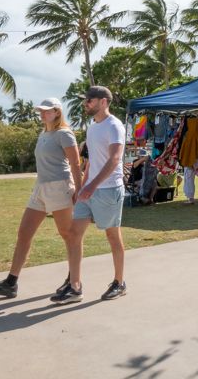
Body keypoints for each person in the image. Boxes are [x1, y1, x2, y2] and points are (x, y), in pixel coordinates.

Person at [0, 98, 82, 298]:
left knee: (69, 235)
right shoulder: (44, 134)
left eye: (46, 111)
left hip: (59, 187)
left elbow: (76, 164)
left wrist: (78, 191)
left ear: (57, 112)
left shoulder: (65, 134)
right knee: (24, 233)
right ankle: (11, 283)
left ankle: (74, 283)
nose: (42, 114)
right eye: (41, 111)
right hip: (40, 188)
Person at [53, 85, 127, 304]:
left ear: (103, 101)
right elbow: (92, 161)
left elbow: (114, 160)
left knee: (113, 236)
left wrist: (92, 186)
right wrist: (82, 186)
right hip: (90, 190)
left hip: (108, 189)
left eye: (90, 100)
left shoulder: (115, 126)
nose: (86, 103)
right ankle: (75, 287)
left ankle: (119, 283)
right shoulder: (92, 127)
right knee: (74, 234)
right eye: (86, 100)